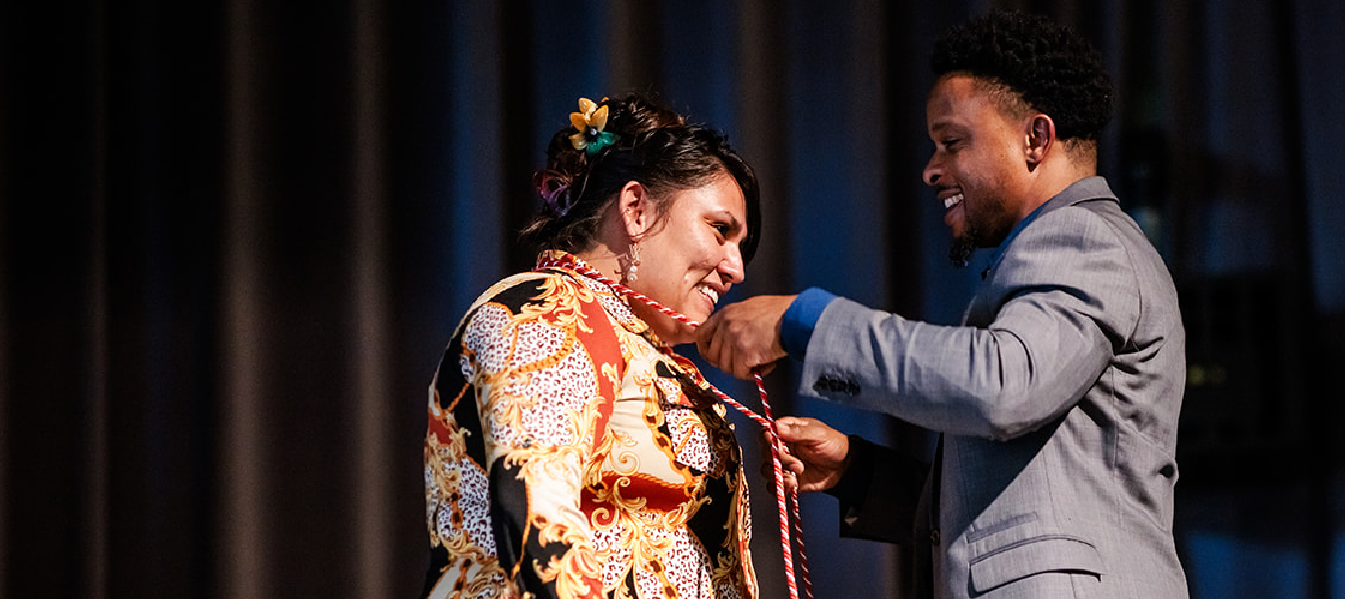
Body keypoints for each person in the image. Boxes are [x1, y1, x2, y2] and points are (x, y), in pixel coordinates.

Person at [699, 10, 1189, 599]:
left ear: (1036, 139)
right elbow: (1023, 506)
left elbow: (1000, 385)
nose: (932, 170)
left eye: (951, 142)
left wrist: (801, 321)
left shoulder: (1085, 239)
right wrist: (857, 473)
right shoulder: (1061, 251)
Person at [422, 93, 763, 599]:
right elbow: (541, 527)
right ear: (636, 209)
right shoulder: (549, 311)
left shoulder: (635, 344)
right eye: (720, 230)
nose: (736, 268)